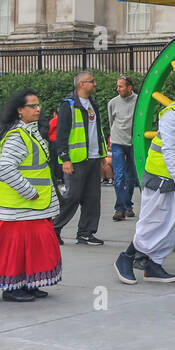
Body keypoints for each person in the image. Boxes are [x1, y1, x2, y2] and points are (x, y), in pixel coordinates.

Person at [115, 73, 175, 285]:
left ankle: (154, 265)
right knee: (154, 223)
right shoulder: (173, 115)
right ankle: (126, 258)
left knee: (174, 224)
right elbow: (168, 150)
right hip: (162, 179)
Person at [0, 89, 63, 303]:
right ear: (20, 110)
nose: (38, 109)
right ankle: (11, 287)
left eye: (39, 105)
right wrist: (29, 191)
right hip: (19, 206)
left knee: (35, 247)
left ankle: (29, 282)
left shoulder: (30, 132)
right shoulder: (17, 136)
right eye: (32, 106)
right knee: (15, 250)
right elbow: (6, 169)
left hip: (33, 205)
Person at [52, 71, 107, 246]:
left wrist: (102, 154)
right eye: (92, 81)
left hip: (92, 157)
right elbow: (62, 134)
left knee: (92, 198)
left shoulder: (93, 104)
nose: (95, 84)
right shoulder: (68, 105)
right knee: (72, 196)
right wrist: (65, 159)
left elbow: (97, 130)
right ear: (82, 84)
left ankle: (85, 233)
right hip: (76, 160)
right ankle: (54, 229)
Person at [106, 75, 139, 222]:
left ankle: (128, 205)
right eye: (117, 86)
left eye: (121, 86)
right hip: (118, 141)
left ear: (129, 87)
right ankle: (120, 208)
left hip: (133, 143)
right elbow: (111, 121)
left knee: (131, 177)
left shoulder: (138, 101)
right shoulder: (112, 103)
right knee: (119, 176)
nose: (118, 89)